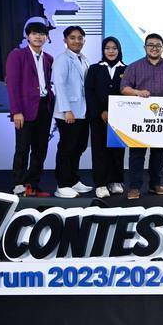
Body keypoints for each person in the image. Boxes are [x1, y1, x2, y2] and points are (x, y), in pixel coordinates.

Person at [120, 33, 163, 199]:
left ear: (162, 48)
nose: (154, 48)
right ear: (145, 47)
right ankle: (134, 187)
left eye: (158, 45)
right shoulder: (134, 67)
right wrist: (137, 92)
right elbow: (124, 88)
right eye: (150, 45)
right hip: (139, 118)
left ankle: (155, 185)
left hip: (162, 119)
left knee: (159, 154)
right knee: (137, 154)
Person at [6, 21, 54, 197]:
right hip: (24, 110)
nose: (38, 37)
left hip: (44, 107)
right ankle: (18, 183)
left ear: (46, 37)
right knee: (22, 148)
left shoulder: (49, 58)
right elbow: (12, 85)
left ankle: (32, 184)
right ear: (27, 36)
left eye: (42, 34)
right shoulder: (17, 55)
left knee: (40, 149)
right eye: (34, 33)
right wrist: (16, 111)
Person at [52, 26, 93, 198]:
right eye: (72, 37)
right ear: (65, 40)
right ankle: (62, 185)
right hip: (68, 113)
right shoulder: (62, 59)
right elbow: (59, 85)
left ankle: (73, 180)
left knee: (79, 147)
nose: (77, 41)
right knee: (67, 148)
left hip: (83, 112)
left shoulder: (84, 59)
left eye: (80, 38)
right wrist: (66, 110)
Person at [84, 36, 127, 199]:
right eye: (107, 48)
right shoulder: (94, 68)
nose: (111, 51)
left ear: (119, 50)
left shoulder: (127, 69)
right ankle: (101, 184)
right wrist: (100, 111)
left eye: (114, 48)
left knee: (117, 150)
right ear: (103, 50)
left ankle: (116, 181)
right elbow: (89, 92)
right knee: (99, 150)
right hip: (98, 118)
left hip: (120, 119)